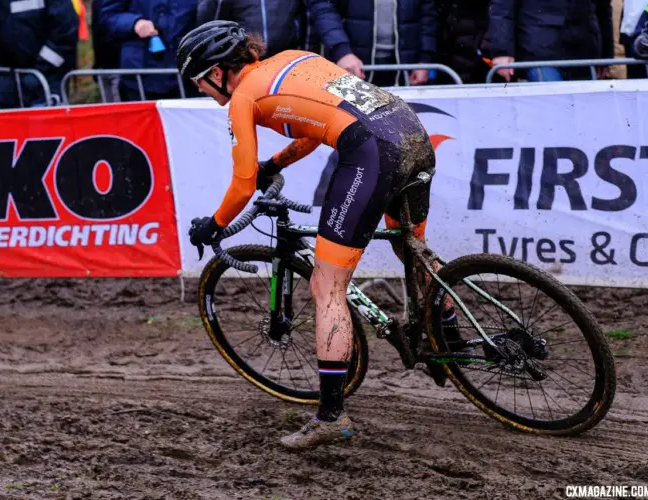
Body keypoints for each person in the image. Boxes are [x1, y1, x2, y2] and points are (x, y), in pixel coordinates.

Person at [178, 20, 457, 450]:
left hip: (372, 152)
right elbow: (314, 130)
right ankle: (450, 342)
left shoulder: (243, 99)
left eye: (198, 81)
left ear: (217, 72)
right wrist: (277, 164)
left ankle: (331, 416)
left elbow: (241, 183)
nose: (200, 90)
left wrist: (213, 225)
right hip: (409, 129)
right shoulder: (293, 59)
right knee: (411, 251)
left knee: (327, 285)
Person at [309, 0, 436, 87]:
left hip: (405, 68)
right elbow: (324, 9)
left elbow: (427, 14)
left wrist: (424, 60)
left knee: (403, 123)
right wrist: (342, 52)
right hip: (352, 65)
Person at [487, 0, 614, 82]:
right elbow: (501, 7)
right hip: (539, 53)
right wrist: (502, 51)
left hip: (584, 52)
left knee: (582, 113)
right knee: (552, 109)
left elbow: (604, 9)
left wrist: (606, 55)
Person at [100, 0, 199, 101]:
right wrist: (134, 23)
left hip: (189, 75)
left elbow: (209, 15)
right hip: (140, 78)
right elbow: (107, 18)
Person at [196, 0, 316, 58]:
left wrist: (308, 53)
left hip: (285, 58)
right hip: (243, 59)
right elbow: (211, 22)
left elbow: (307, 17)